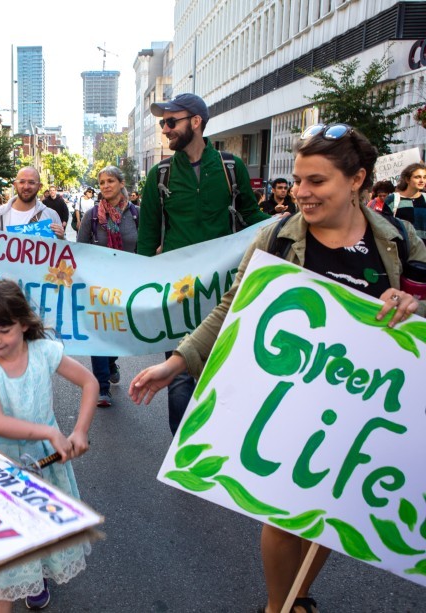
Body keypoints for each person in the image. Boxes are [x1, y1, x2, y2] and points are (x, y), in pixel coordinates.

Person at [129, 123, 426, 613]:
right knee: (283, 514)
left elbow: (421, 312)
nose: (302, 193)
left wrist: (412, 307)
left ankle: (299, 597)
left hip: (361, 408)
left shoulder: (399, 239)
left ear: (356, 181)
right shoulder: (278, 239)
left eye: (317, 181)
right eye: (300, 180)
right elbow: (231, 308)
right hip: (288, 401)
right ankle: (276, 605)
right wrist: (177, 363)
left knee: (332, 510)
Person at [137, 92, 270, 434]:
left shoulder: (230, 168)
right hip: (177, 293)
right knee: (180, 377)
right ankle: (184, 453)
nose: (165, 130)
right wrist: (138, 293)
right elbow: (147, 239)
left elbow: (251, 216)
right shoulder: (160, 175)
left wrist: (290, 224)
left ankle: (222, 447)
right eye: (163, 123)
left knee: (225, 370)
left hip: (225, 292)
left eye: (171, 122)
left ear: (195, 122)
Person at [0, 279, 98, 613]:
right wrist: (50, 433)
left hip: (45, 466)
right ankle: (18, 583)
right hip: (2, 470)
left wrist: (80, 431)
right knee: (5, 567)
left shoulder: (43, 352)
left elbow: (90, 382)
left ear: (24, 323)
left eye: (3, 331)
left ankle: (36, 577)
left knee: (39, 530)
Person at [76, 166, 138, 407]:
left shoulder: (136, 215)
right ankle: (102, 388)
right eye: (101, 182)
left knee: (120, 333)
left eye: (110, 181)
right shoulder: (93, 217)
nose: (105, 186)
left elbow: (145, 246)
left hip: (128, 284)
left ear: (121, 183)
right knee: (100, 333)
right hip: (97, 285)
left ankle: (111, 362)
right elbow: (79, 250)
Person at [0, 167, 65, 238]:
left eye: (31, 182)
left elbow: (63, 251)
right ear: (15, 185)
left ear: (39, 186)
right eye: (22, 182)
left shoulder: (51, 215)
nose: (26, 187)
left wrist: (62, 239)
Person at [383, 162, 426, 240]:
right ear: (407, 179)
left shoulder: (425, 198)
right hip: (402, 248)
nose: (422, 180)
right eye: (417, 177)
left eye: (425, 177)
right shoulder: (392, 199)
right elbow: (385, 226)